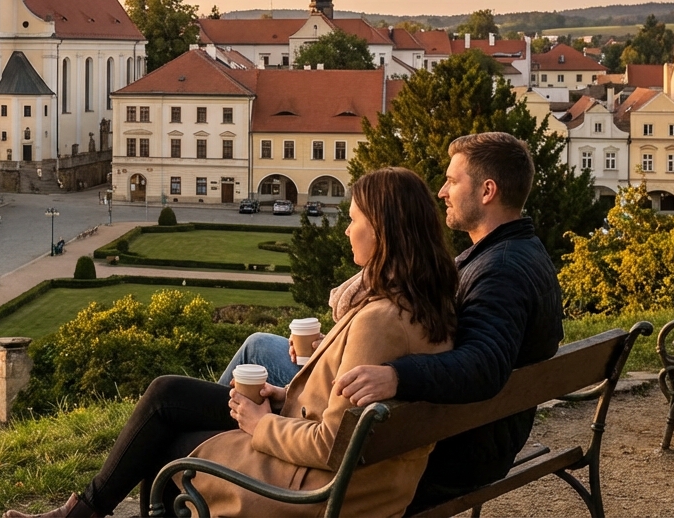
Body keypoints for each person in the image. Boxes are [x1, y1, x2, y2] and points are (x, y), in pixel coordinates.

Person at [5, 167, 459, 518]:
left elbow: (331, 445)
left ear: (382, 231)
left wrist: (260, 423)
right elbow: (343, 416)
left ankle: (80, 512)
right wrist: (285, 396)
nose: (345, 230)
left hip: (313, 489)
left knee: (164, 447)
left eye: (354, 220)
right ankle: (79, 511)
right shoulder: (424, 300)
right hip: (345, 471)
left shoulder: (381, 320)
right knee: (168, 394)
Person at [219, 132, 563, 514]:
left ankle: (231, 442)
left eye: (452, 180)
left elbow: (485, 364)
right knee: (265, 350)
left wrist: (397, 375)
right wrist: (336, 348)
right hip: (461, 428)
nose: (442, 190)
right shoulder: (516, 251)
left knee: (257, 347)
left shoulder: (499, 270)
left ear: (487, 191)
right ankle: (239, 432)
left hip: (448, 451)